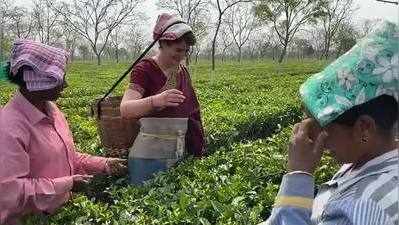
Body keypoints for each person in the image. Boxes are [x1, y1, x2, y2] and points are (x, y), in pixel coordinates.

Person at [259, 21, 398, 225]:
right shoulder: (365, 159)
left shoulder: (365, 207)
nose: (310, 134)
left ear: (364, 128)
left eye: (319, 123)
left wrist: (299, 174)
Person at [0, 40, 127, 224]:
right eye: (59, 79)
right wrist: (67, 184)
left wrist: (105, 164)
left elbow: (68, 158)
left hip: (60, 214)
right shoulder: (9, 127)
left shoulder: (52, 111)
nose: (65, 84)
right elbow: (10, 192)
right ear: (36, 81)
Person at [120, 13, 206, 184]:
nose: (182, 56)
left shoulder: (182, 72)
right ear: (163, 44)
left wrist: (198, 150)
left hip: (176, 156)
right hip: (147, 159)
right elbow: (125, 109)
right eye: (178, 50)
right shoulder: (145, 69)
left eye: (186, 51)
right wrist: (156, 101)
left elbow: (193, 113)